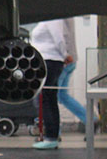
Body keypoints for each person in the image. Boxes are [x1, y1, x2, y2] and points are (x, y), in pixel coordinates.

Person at [29, 18, 76, 149]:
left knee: (46, 99)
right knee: (50, 99)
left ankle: (51, 137)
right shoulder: (46, 20)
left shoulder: (53, 19)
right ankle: (52, 136)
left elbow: (59, 38)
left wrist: (65, 55)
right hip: (49, 61)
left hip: (50, 61)